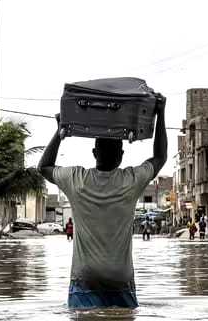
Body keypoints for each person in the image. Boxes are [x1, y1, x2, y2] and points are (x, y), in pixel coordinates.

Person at [39, 96, 168, 308]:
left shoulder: (76, 179)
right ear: (121, 156)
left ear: (94, 153)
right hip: (120, 278)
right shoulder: (131, 180)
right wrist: (161, 114)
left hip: (85, 277)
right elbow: (160, 157)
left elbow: (44, 167)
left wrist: (59, 132)